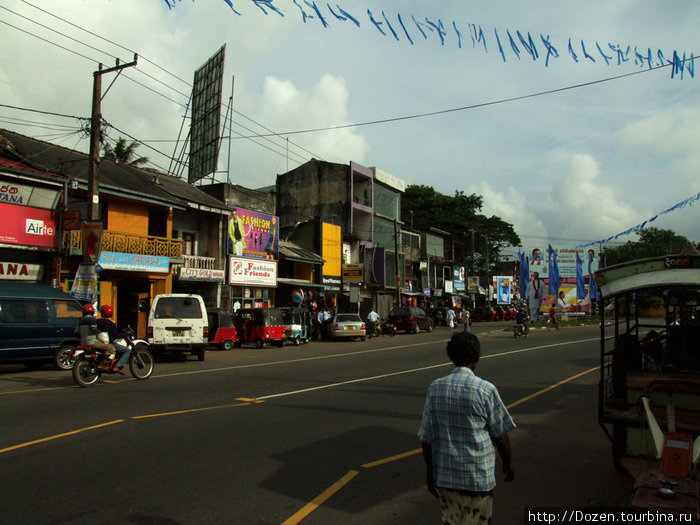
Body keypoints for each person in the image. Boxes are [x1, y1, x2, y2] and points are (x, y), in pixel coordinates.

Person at [418, 332, 515, 524]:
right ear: (476, 358)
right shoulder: (485, 390)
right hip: (478, 478)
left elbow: (426, 438)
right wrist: (508, 464)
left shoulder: (435, 388)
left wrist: (430, 472)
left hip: (446, 478)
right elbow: (501, 436)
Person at [75, 304, 115, 368]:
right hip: (92, 342)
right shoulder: (92, 319)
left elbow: (76, 334)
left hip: (83, 343)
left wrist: (84, 337)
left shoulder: (80, 321)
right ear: (93, 312)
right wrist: (99, 332)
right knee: (111, 348)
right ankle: (101, 364)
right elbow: (93, 328)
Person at [96, 305, 131, 374]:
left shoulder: (96, 321)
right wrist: (125, 334)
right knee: (127, 350)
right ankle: (117, 366)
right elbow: (117, 335)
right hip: (109, 344)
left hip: (98, 343)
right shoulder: (110, 323)